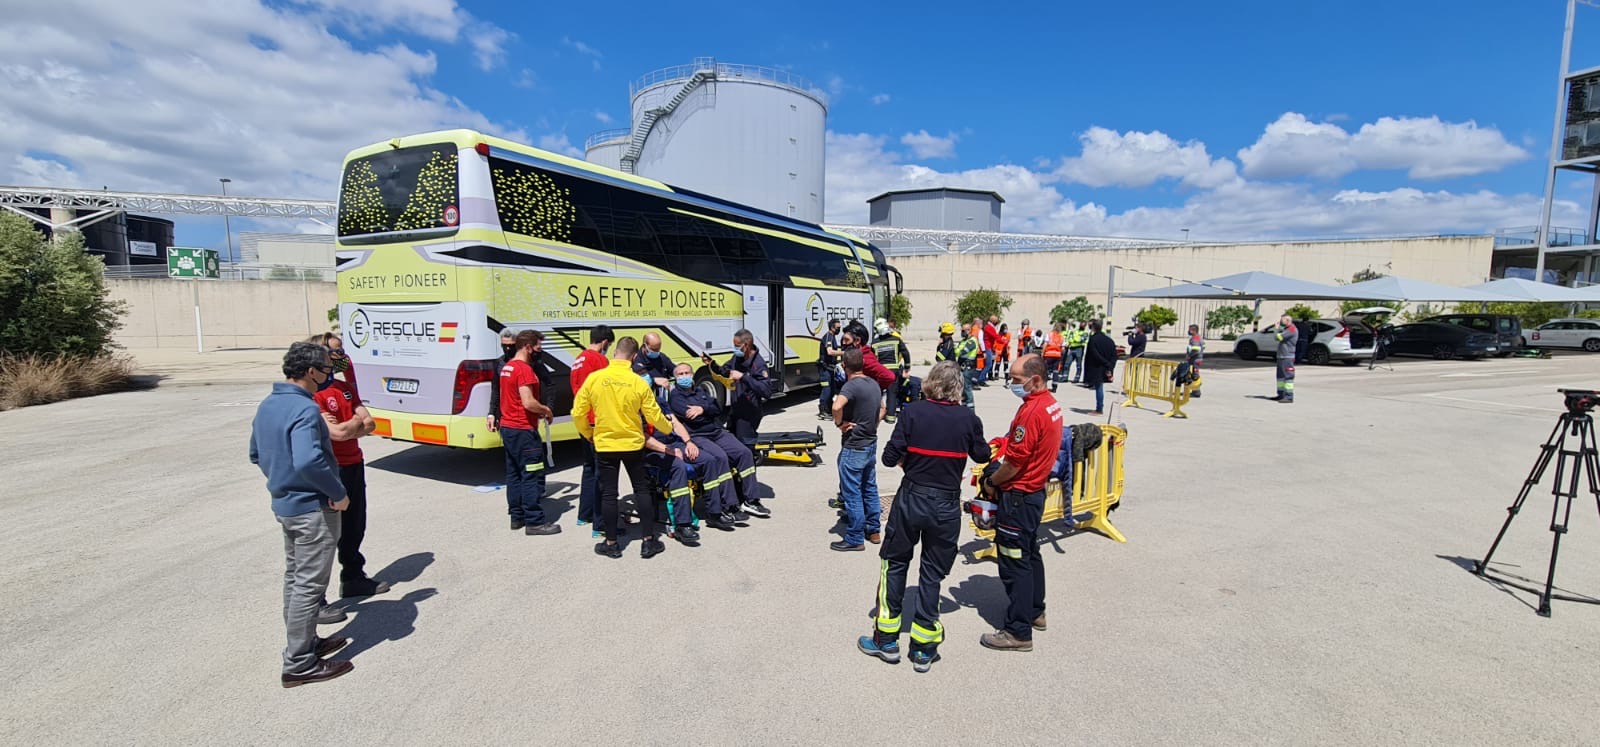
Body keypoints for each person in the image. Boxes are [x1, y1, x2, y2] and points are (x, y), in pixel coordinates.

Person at [857, 361, 989, 672]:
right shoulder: (969, 418)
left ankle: (886, 640)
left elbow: (889, 458)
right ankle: (923, 649)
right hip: (945, 504)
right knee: (932, 574)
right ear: (957, 388)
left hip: (912, 498)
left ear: (930, 383)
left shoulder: (912, 413)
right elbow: (983, 455)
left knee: (895, 563)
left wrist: (910, 459)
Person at [249, 341, 354, 688]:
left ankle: (305, 643)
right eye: (326, 369)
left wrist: (282, 480)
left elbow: (256, 454)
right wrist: (337, 493)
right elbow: (310, 460)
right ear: (311, 372)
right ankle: (299, 662)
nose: (329, 374)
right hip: (313, 508)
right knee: (310, 585)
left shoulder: (269, 405)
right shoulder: (305, 410)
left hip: (286, 504)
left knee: (296, 579)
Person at [978, 354, 1064, 653]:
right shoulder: (1050, 404)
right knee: (1030, 554)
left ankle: (1018, 631)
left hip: (1018, 496)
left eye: (1016, 380)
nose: (1013, 385)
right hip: (1034, 493)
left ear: (1035, 379)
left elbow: (1014, 463)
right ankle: (1035, 610)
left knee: (1014, 562)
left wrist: (991, 482)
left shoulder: (1032, 412)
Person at [574, 336, 675, 559]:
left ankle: (611, 544)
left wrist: (588, 433)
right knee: (642, 490)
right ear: (634, 356)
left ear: (614, 353)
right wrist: (668, 429)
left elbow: (577, 412)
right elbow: (653, 415)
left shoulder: (595, 379)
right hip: (633, 444)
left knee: (609, 494)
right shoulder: (639, 382)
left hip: (606, 444)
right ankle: (649, 542)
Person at [312, 339, 390, 599]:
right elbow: (337, 433)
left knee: (355, 525)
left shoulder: (344, 388)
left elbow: (370, 423)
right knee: (325, 534)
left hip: (354, 464)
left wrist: (353, 424)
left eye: (342, 349)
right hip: (331, 469)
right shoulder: (314, 395)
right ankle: (316, 598)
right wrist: (355, 424)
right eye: (336, 350)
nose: (342, 355)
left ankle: (353, 577)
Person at [668, 361, 761, 526]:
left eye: (687, 373)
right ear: (675, 378)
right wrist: (707, 410)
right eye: (680, 374)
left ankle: (751, 500)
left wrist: (702, 409)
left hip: (716, 431)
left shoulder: (700, 390)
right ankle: (730, 505)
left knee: (744, 453)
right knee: (720, 457)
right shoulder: (675, 396)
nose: (684, 377)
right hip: (697, 435)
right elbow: (690, 416)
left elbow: (717, 407)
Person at [499, 330, 559, 535]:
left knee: (514, 474)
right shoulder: (524, 370)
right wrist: (546, 410)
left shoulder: (507, 367)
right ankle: (534, 521)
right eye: (537, 348)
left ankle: (517, 517)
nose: (539, 352)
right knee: (531, 475)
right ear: (527, 347)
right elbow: (528, 402)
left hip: (508, 428)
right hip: (523, 430)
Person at [831, 348, 884, 551]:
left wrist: (840, 423)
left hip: (854, 445)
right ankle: (874, 529)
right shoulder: (874, 384)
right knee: (869, 487)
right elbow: (883, 408)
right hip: (870, 443)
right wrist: (872, 424)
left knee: (851, 491)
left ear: (845, 366)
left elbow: (837, 407)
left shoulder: (850, 386)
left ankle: (854, 537)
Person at [701, 329, 775, 459]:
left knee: (745, 448)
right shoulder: (737, 358)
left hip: (749, 414)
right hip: (736, 410)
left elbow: (767, 390)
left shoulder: (758, 365)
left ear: (746, 345)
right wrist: (712, 364)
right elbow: (725, 371)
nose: (734, 349)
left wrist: (743, 377)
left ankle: (748, 475)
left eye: (736, 346)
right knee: (731, 443)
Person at [570, 325, 614, 535]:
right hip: (597, 422)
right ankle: (601, 523)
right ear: (605, 342)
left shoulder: (578, 359)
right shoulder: (599, 360)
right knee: (602, 473)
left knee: (589, 469)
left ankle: (584, 514)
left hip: (583, 421)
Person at [870, 318, 911, 423]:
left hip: (880, 371)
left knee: (877, 393)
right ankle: (890, 417)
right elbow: (905, 353)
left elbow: (872, 358)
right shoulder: (896, 339)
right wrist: (907, 367)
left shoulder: (874, 343)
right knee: (892, 393)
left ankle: (876, 414)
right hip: (893, 370)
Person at [1081, 320, 1118, 416]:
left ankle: (1099, 408)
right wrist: (1110, 367)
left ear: (1093, 328)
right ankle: (1099, 407)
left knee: (1099, 388)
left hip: (1097, 367)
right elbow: (1114, 355)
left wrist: (1106, 364)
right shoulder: (1109, 340)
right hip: (1106, 367)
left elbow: (1094, 354)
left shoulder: (1093, 339)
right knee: (1099, 387)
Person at [485, 329, 517, 434]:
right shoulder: (499, 363)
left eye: (511, 345)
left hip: (524, 419)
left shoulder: (529, 362)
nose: (507, 349)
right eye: (504, 345)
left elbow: (549, 384)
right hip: (506, 418)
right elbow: (495, 390)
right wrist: (491, 414)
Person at [818, 318, 843, 421]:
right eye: (838, 328)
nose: (839, 329)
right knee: (826, 390)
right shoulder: (828, 336)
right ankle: (823, 411)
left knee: (832, 390)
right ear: (832, 327)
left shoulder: (833, 337)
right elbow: (830, 351)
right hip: (825, 369)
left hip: (830, 368)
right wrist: (844, 353)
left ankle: (829, 409)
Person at [1273, 315, 1298, 403]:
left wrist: (1276, 329)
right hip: (1282, 356)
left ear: (1287, 320)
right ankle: (1281, 394)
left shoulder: (1291, 329)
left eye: (1282, 320)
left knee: (1288, 376)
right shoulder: (1286, 329)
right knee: (1280, 377)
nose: (1280, 321)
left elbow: (1278, 337)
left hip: (1287, 356)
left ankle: (1288, 396)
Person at [954, 327, 981, 409]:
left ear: (969, 331)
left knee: (967, 388)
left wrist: (957, 350)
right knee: (962, 389)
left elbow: (961, 352)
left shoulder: (972, 341)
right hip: (962, 368)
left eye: (963, 331)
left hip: (968, 368)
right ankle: (964, 407)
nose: (962, 332)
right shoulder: (963, 341)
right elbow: (956, 351)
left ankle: (970, 409)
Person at [1180, 323, 1205, 398]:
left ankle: (1196, 391)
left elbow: (1196, 350)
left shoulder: (1195, 338)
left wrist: (1189, 356)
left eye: (1190, 330)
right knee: (1194, 374)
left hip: (1194, 359)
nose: (1188, 331)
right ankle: (1195, 391)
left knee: (1194, 375)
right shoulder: (1198, 337)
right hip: (1197, 359)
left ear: (1194, 330)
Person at [1042, 323, 1065, 391]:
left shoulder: (1049, 335)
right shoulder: (1061, 337)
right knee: (1056, 371)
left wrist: (1042, 353)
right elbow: (1063, 348)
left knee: (1046, 370)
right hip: (1057, 355)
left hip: (1048, 355)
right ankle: (1054, 387)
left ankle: (1044, 386)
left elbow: (1045, 344)